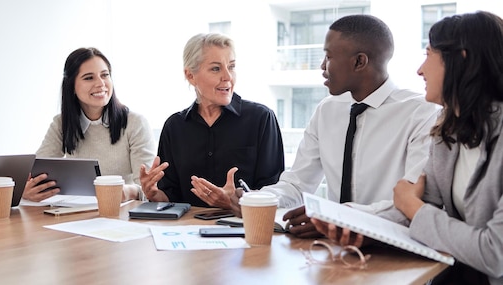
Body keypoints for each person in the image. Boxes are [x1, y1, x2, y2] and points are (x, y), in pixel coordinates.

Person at [190, 15, 439, 238]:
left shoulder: (420, 112)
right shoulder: (327, 110)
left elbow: (411, 204)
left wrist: (336, 217)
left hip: (392, 250)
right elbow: (297, 185)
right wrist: (253, 199)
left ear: (359, 62)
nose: (321, 66)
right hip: (331, 248)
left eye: (329, 57)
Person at [314, 11, 503, 285]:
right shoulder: (448, 129)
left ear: (461, 59)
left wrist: (414, 207)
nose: (420, 70)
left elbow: (494, 254)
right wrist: (350, 223)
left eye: (429, 55)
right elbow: (419, 204)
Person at [140, 33, 285, 207]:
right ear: (190, 76)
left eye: (231, 67)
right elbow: (171, 196)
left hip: (243, 229)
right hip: (184, 230)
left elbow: (274, 192)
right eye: (216, 69)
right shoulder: (174, 127)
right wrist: (154, 194)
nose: (228, 77)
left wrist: (235, 201)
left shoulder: (262, 118)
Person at [23, 47, 156, 202]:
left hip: (122, 213)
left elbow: (149, 190)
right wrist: (26, 190)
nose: (101, 84)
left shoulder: (135, 123)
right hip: (76, 214)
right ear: (71, 85)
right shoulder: (61, 124)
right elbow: (35, 174)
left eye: (105, 75)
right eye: (88, 78)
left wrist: (129, 192)